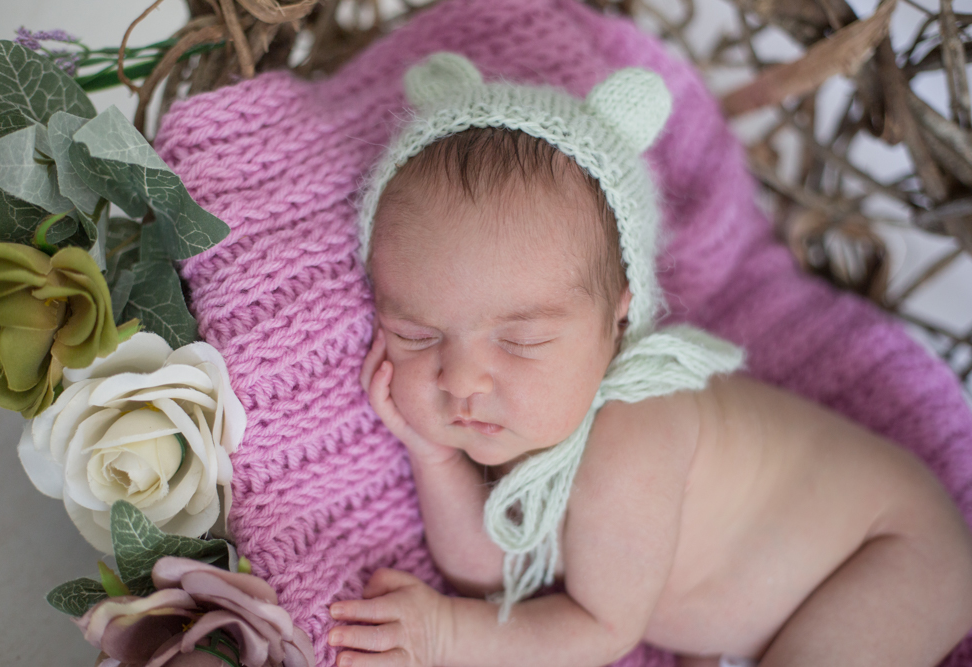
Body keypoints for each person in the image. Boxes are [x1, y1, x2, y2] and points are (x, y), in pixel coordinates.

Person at [325, 52, 972, 667]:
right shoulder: (537, 400)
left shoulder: (634, 429)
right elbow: (496, 573)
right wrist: (434, 457)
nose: (461, 378)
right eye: (415, 333)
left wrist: (443, 634)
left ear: (618, 322)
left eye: (520, 338)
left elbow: (600, 625)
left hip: (892, 550)